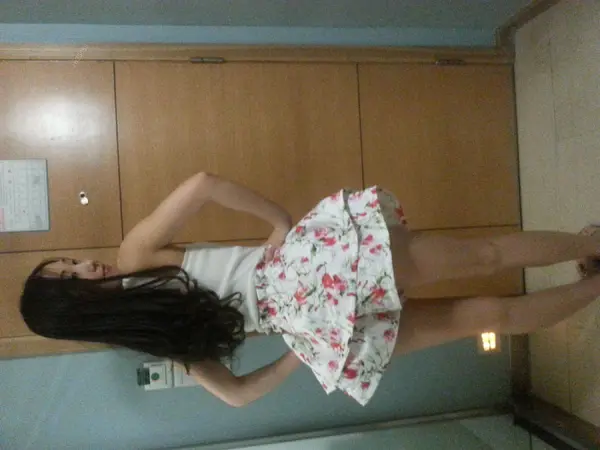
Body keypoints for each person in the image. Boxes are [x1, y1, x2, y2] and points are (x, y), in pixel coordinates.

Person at [20, 172, 600, 407]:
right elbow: (201, 185)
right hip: (320, 266)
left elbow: (237, 395)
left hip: (315, 324)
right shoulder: (135, 258)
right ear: (76, 306)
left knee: (488, 314)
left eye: (69, 261)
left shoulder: (158, 337)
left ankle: (596, 282)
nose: (85, 264)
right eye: (71, 276)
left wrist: (301, 351)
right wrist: (278, 221)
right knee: (486, 255)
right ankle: (587, 245)